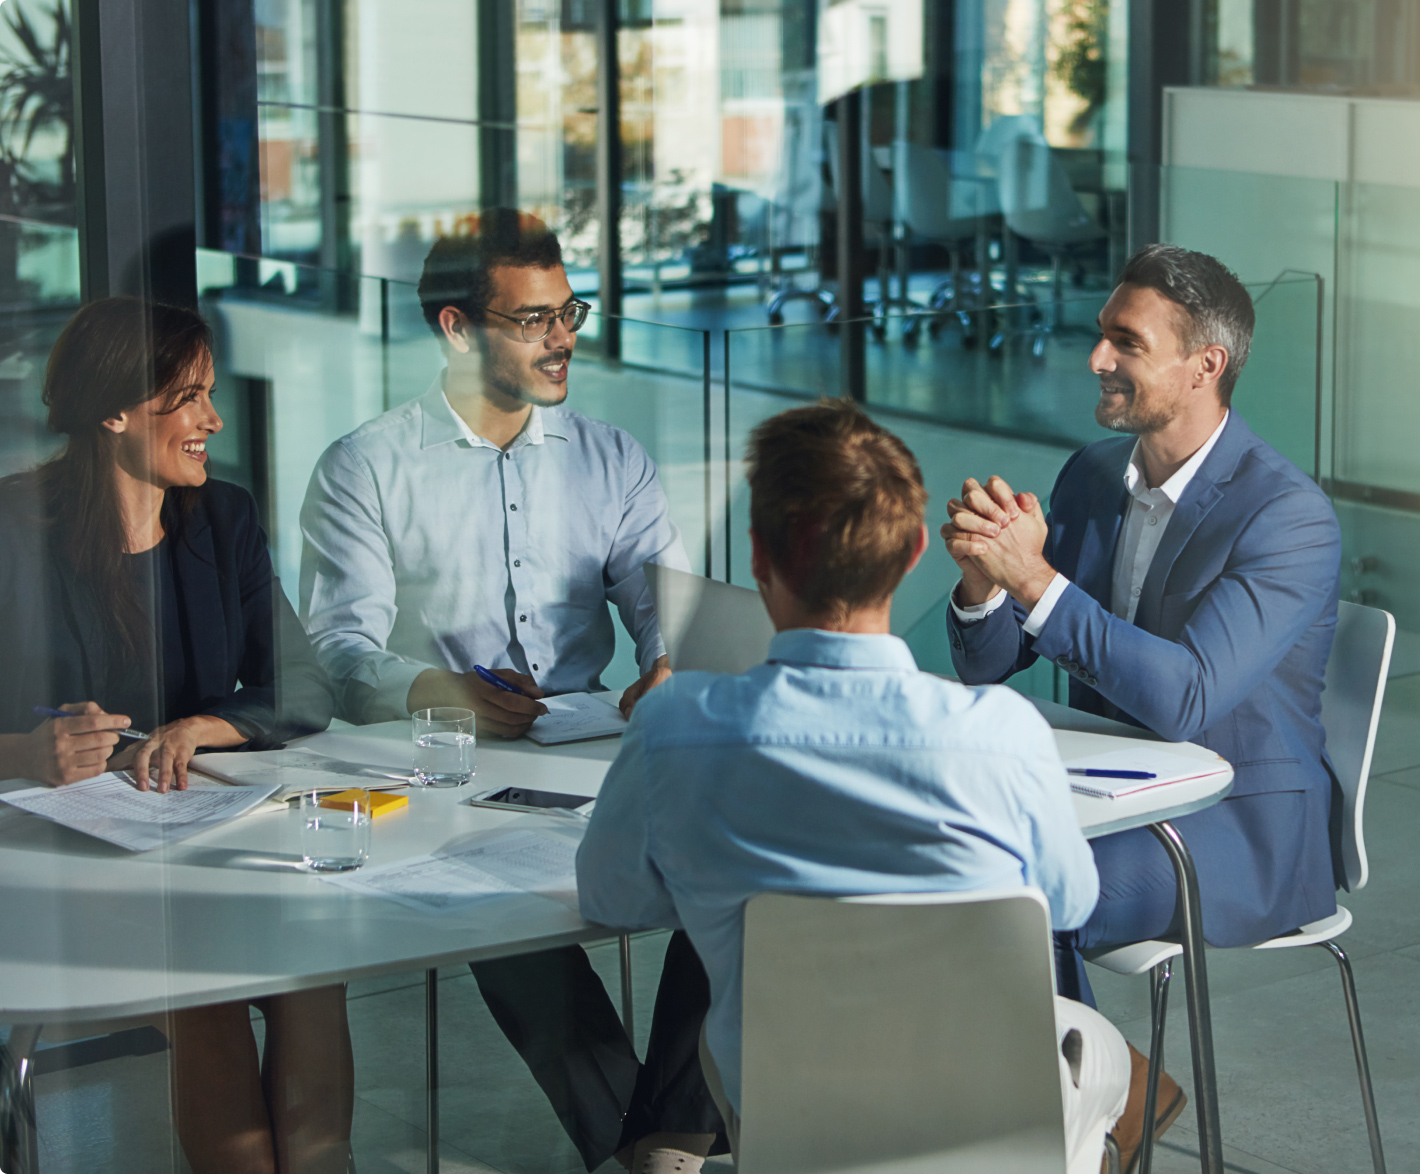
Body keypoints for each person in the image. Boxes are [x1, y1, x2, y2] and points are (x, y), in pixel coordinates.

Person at [577, 400, 1130, 1174]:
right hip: (985, 1125)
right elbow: (1068, 904)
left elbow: (611, 898)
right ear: (913, 553)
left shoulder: (672, 728)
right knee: (1098, 1055)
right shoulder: (1002, 735)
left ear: (759, 556)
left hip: (789, 1125)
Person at [299, 209, 717, 1172]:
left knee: (735, 864)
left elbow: (670, 604)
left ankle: (659, 1147)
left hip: (598, 749)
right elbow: (338, 648)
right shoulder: (366, 465)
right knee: (496, 911)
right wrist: (436, 688)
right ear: (456, 329)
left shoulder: (612, 458)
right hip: (451, 770)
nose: (562, 337)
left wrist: (666, 660)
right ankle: (662, 1151)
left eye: (568, 311)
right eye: (533, 319)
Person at [941, 244, 1342, 1168]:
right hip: (1107, 798)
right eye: (1102, 335)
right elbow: (989, 665)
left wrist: (1035, 581)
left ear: (1206, 365)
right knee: (942, 865)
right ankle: (1115, 1088)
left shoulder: (1287, 515)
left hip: (1237, 826)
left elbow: (1186, 698)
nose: (1097, 358)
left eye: (1126, 342)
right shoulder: (1093, 476)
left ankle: (1050, 1135)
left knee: (1019, 896)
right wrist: (983, 585)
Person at [0, 297, 348, 1173]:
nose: (213, 419)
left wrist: (204, 725)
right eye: (189, 397)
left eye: (209, 394)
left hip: (199, 834)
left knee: (313, 972)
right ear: (113, 412)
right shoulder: (13, 531)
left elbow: (303, 684)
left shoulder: (222, 517)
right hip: (63, 856)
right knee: (208, 988)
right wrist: (24, 753)